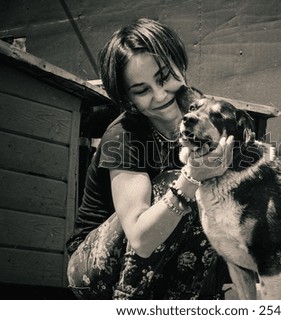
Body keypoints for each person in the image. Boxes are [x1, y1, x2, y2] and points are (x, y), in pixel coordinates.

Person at [65, 18, 234, 300]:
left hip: (163, 269)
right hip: (96, 272)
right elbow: (140, 239)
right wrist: (192, 176)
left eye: (164, 76)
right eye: (142, 90)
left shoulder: (202, 112)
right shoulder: (122, 135)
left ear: (180, 65)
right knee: (179, 182)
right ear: (128, 99)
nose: (160, 94)